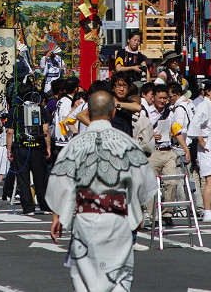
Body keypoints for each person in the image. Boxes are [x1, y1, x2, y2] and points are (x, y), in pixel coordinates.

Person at [46, 88, 157, 292]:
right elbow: (142, 182)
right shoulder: (126, 143)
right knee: (119, 278)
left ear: (88, 112)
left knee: (84, 279)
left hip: (85, 217)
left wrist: (57, 215)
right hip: (117, 217)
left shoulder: (75, 144)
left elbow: (61, 181)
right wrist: (138, 210)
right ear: (113, 112)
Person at [145, 84, 189, 227]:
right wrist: (151, 135)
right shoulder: (146, 112)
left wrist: (186, 149)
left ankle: (168, 213)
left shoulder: (170, 113)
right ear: (153, 98)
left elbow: (177, 131)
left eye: (165, 98)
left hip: (168, 151)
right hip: (152, 153)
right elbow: (141, 133)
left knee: (172, 181)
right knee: (152, 186)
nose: (163, 100)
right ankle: (154, 216)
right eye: (160, 98)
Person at [6, 86, 53, 214]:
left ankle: (28, 207)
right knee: (41, 177)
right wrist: (48, 147)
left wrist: (9, 149)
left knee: (23, 178)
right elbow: (46, 131)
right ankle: (45, 205)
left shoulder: (14, 111)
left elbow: (10, 132)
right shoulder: (41, 110)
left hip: (21, 147)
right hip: (37, 147)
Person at [188, 80, 211, 222]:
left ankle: (208, 209)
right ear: (208, 91)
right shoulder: (204, 105)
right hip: (207, 147)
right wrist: (201, 140)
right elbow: (195, 123)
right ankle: (207, 212)